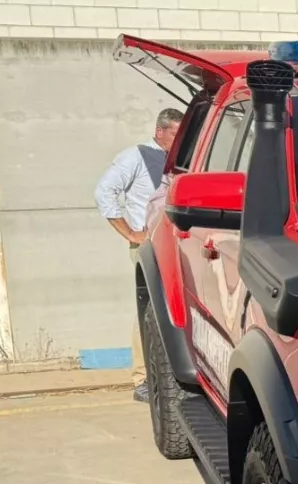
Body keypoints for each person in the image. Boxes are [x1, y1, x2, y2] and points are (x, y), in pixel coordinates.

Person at [94, 108, 183, 403]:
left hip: (178, 244)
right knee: (150, 309)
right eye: (174, 132)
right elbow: (104, 192)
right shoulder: (135, 156)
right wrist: (131, 233)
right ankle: (142, 378)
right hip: (148, 247)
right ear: (160, 131)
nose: (179, 138)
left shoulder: (183, 158)